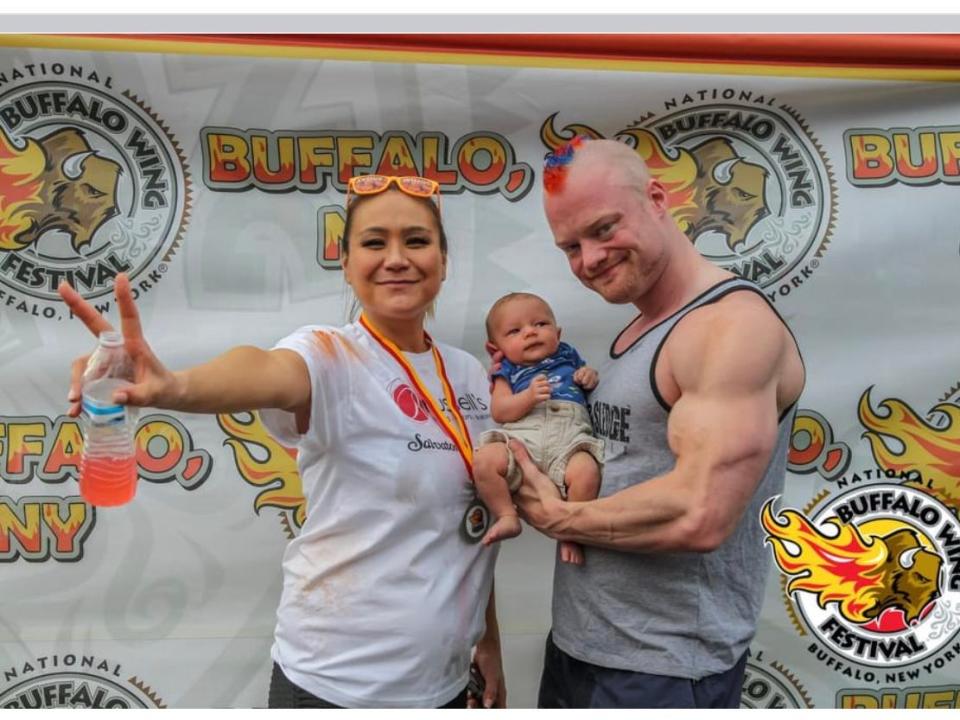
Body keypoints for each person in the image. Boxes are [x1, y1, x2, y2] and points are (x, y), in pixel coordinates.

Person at [58, 174, 506, 709]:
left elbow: (469, 526)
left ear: (444, 259)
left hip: (444, 687)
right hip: (332, 686)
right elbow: (262, 369)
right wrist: (175, 386)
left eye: (416, 240)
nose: (396, 258)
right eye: (373, 242)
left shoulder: (470, 376)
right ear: (345, 263)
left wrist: (488, 641)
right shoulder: (329, 355)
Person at [512, 137, 806, 708]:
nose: (589, 259)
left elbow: (701, 513)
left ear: (655, 198)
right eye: (570, 246)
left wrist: (562, 516)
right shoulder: (642, 327)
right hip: (584, 647)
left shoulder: (729, 327)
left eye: (603, 229)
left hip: (663, 671)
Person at [473, 292, 603, 565]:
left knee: (587, 471)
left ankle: (572, 531)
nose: (530, 332)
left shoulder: (568, 355)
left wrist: (588, 376)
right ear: (495, 347)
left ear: (558, 332)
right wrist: (528, 397)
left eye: (540, 324)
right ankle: (507, 515)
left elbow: (588, 379)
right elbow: (500, 410)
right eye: (515, 330)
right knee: (485, 459)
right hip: (524, 433)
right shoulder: (506, 371)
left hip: (568, 433)